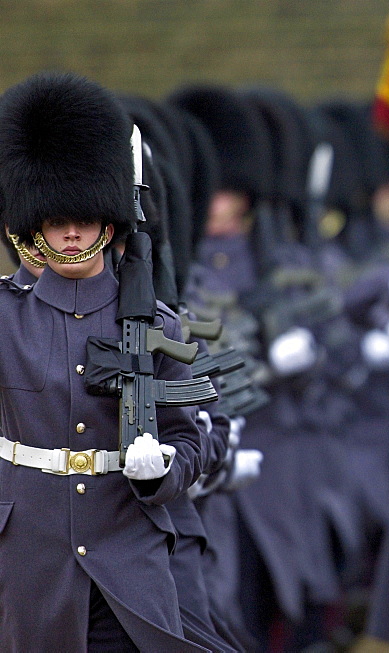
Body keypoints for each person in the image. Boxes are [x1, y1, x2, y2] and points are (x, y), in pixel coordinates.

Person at [0, 72, 205, 650]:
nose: (69, 233)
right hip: (31, 557)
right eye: (55, 220)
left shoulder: (159, 325)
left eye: (83, 220)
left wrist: (162, 470)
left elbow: (191, 442)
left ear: (108, 221)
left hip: (125, 550)